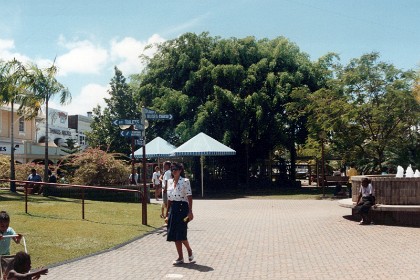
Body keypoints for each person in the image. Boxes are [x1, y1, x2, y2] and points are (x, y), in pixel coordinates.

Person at [165, 162, 194, 265]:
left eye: (176, 169)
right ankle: (180, 257)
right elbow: (169, 198)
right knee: (174, 234)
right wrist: (167, 212)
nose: (174, 171)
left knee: (181, 234)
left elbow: (189, 197)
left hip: (183, 209)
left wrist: (190, 211)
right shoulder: (169, 182)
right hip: (174, 208)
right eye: (172, 169)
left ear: (180, 170)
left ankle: (189, 250)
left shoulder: (185, 181)